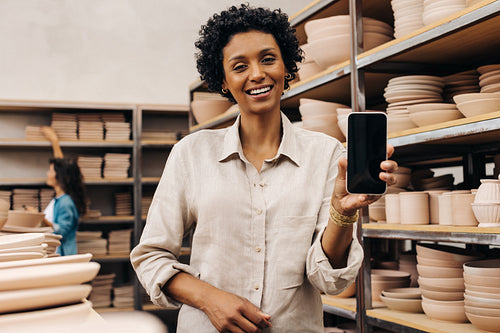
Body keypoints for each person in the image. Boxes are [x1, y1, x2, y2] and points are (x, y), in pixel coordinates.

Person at [131, 4, 398, 332]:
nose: (257, 73)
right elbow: (151, 257)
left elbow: (329, 281)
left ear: (287, 67)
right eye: (239, 66)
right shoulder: (191, 154)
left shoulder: (326, 154)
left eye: (268, 58)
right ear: (224, 80)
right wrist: (210, 299)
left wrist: (341, 212)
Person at [42, 126, 87, 256]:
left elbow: (62, 231)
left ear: (59, 176)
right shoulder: (58, 198)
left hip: (62, 255)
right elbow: (61, 166)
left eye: (51, 171)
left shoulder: (66, 202)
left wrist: (41, 219)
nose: (47, 173)